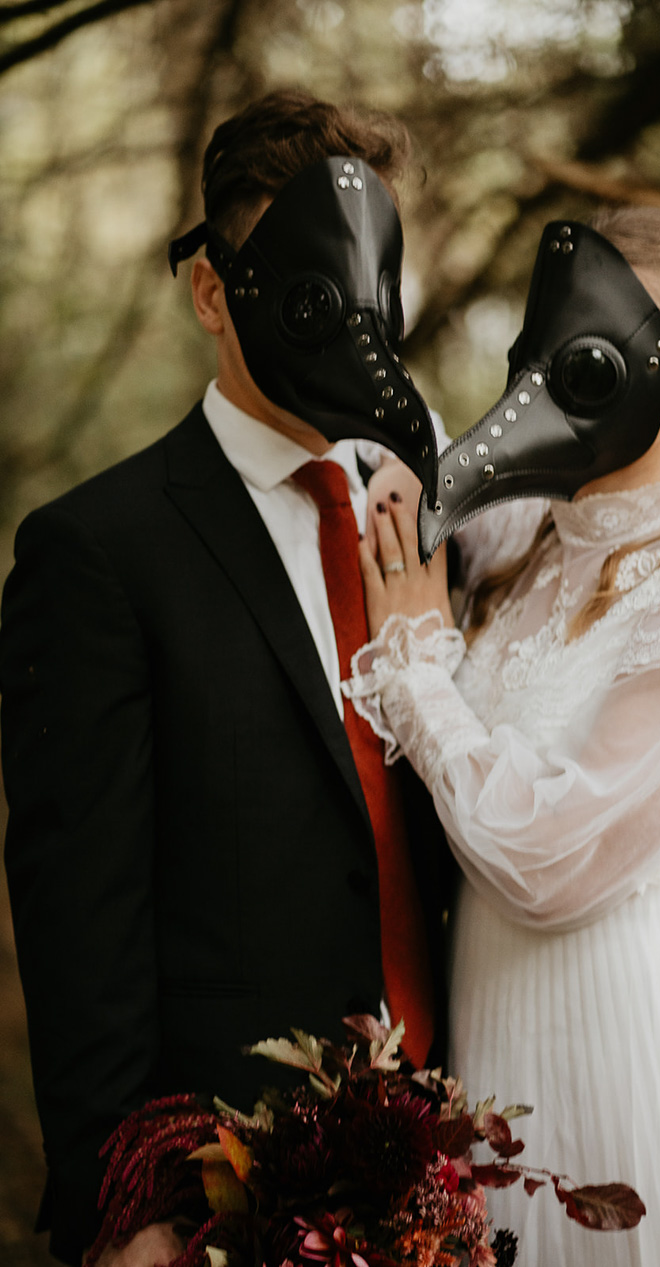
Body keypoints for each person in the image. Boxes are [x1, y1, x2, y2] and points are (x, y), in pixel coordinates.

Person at [0, 88, 450, 1267]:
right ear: (213, 292)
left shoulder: (427, 522)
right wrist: (128, 1197)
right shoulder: (99, 550)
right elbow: (77, 907)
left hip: (453, 1157)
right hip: (229, 1186)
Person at [350, 206, 660, 1264]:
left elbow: (542, 855)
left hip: (624, 1047)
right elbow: (428, 462)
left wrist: (416, 665)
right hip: (488, 1036)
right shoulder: (529, 551)